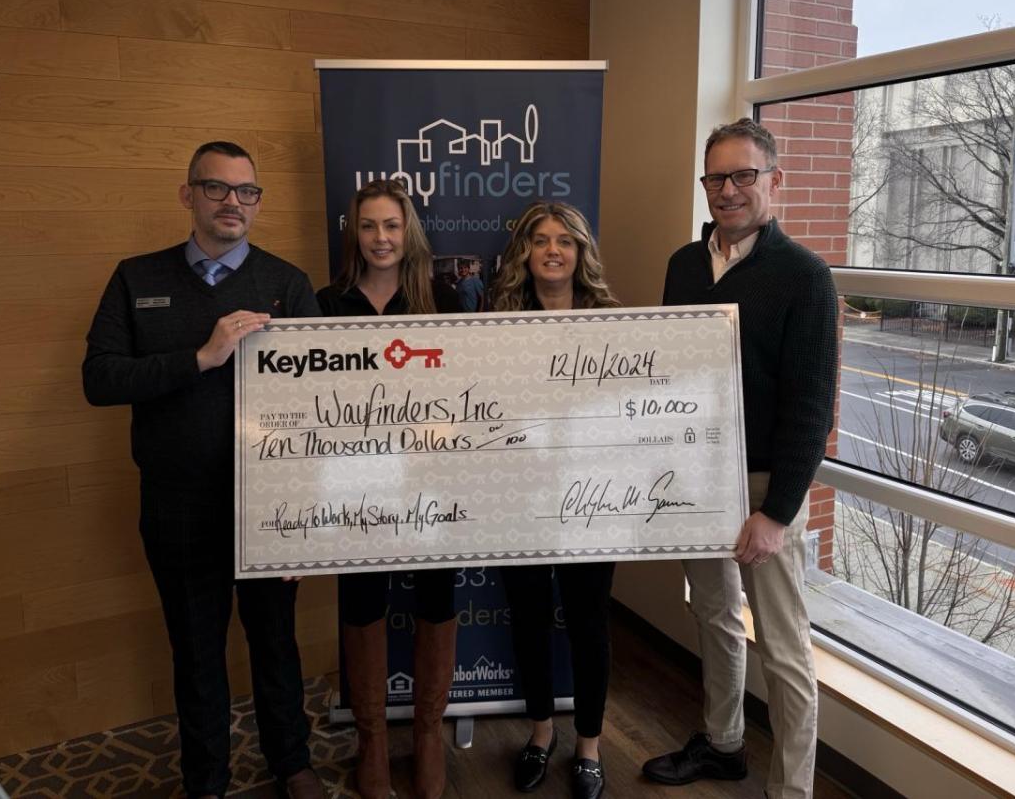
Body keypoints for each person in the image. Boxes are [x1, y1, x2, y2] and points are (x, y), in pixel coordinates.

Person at [82, 141, 326, 799]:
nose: (232, 202)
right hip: (177, 505)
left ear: (257, 202)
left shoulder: (287, 283)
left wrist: (301, 516)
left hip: (267, 507)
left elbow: (319, 411)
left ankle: (291, 762)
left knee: (276, 642)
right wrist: (202, 357)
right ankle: (207, 781)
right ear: (188, 195)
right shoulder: (138, 279)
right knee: (196, 651)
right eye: (216, 188)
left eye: (246, 191)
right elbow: (99, 380)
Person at [641, 118, 838, 799]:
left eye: (742, 176)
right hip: (698, 477)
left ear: (773, 181)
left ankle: (793, 790)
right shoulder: (683, 266)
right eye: (715, 178)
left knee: (784, 650)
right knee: (713, 614)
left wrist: (777, 513)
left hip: (763, 488)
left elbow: (813, 410)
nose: (727, 191)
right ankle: (723, 741)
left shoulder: (805, 278)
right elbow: (671, 376)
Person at [317, 179, 462, 799]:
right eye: (370, 226)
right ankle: (372, 739)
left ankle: (428, 732)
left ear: (410, 233)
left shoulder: (448, 300)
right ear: (355, 232)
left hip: (429, 479)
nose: (380, 238)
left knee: (436, 593)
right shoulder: (325, 304)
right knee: (361, 597)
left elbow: (470, 392)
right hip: (354, 483)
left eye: (392, 226)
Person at [488, 201, 620, 799]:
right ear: (524, 252)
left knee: (590, 622)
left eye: (564, 241)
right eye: (539, 240)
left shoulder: (614, 320)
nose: (551, 250)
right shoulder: (497, 320)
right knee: (530, 618)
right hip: (520, 493)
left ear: (580, 252)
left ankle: (589, 745)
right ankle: (542, 733)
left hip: (595, 495)